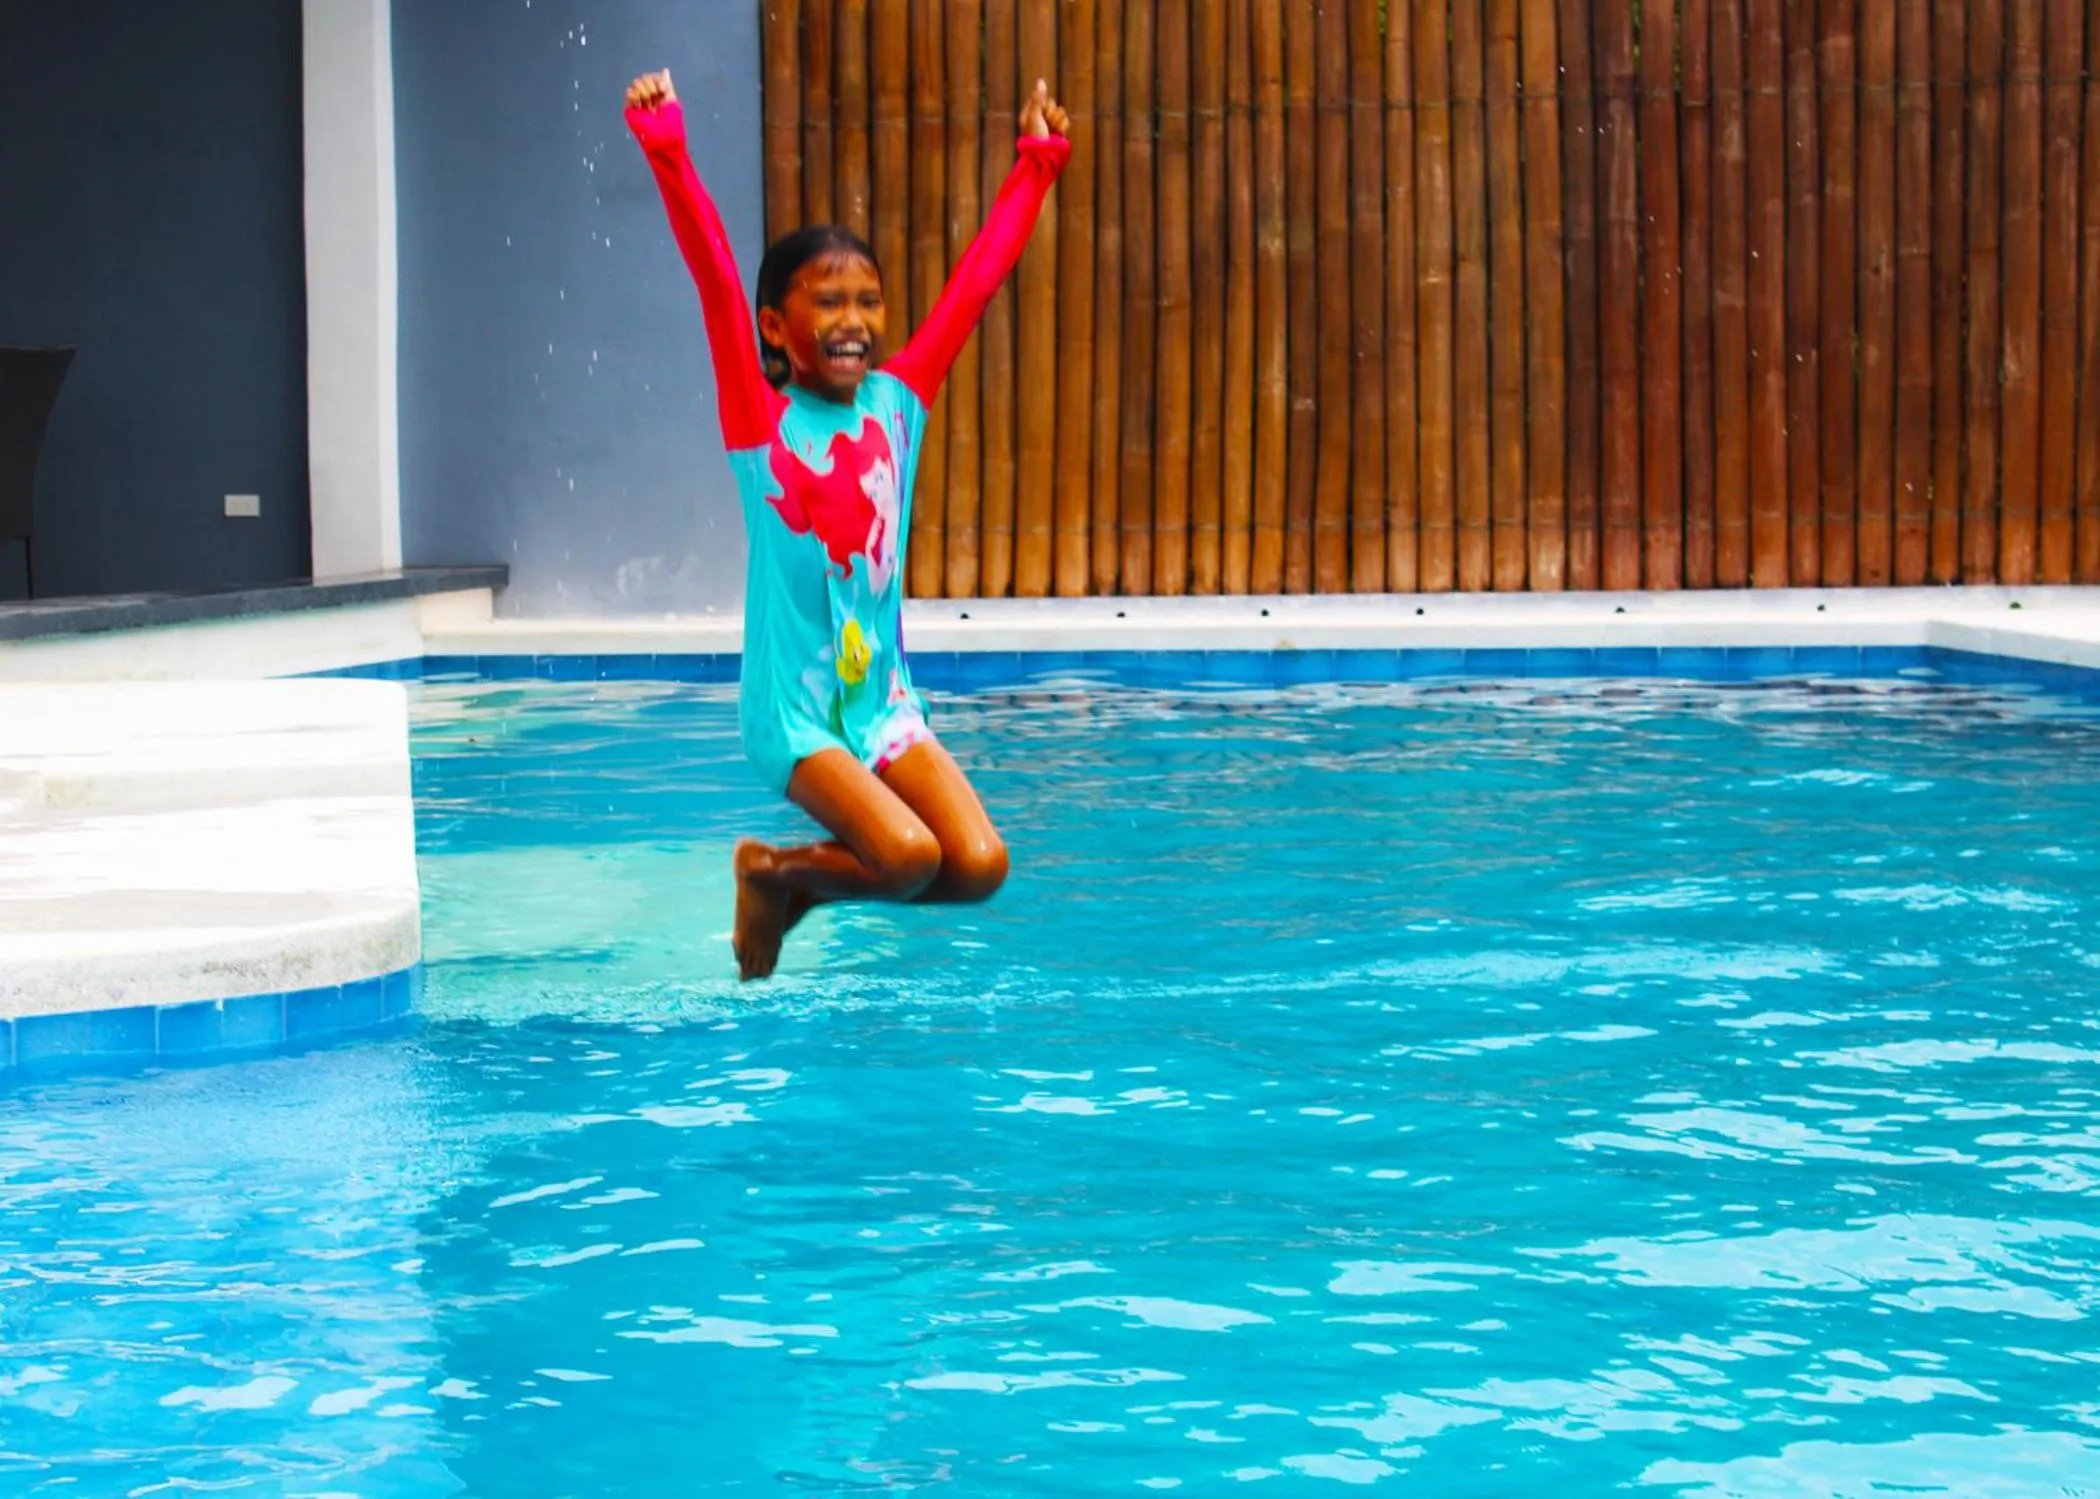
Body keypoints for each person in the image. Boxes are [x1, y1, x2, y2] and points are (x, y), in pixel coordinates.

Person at [623, 66, 1070, 980]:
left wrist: (1039, 164)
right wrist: (667, 147)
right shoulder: (762, 423)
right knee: (905, 858)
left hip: (883, 704)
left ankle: (788, 882)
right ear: (776, 328)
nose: (855, 320)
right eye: (828, 302)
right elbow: (712, 269)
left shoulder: (898, 405)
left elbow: (975, 287)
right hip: (795, 713)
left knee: (978, 867)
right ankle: (772, 873)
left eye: (868, 299)